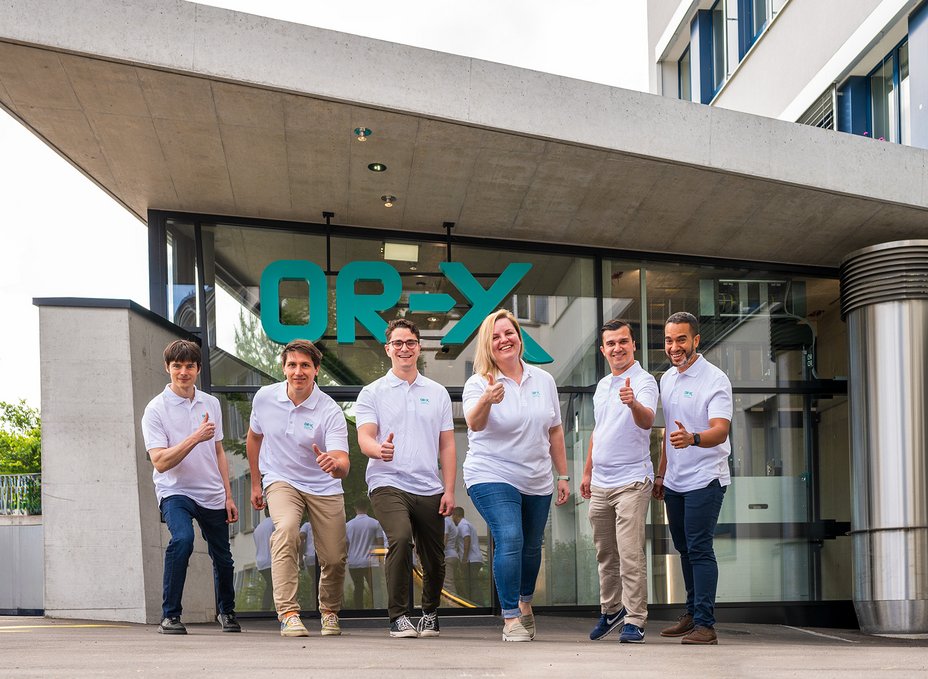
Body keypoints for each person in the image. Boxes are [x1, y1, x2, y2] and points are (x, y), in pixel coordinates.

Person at [462, 309, 570, 642]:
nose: (504, 340)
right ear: (487, 345)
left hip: (537, 477)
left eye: (509, 333)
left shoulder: (544, 380)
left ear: (519, 338)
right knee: (510, 536)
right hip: (491, 471)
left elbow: (554, 430)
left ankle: (525, 603)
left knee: (531, 546)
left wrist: (563, 475)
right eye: (495, 336)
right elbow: (474, 423)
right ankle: (510, 619)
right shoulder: (480, 382)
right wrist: (487, 400)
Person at [356, 318, 456, 639]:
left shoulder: (437, 393)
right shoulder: (372, 392)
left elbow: (447, 444)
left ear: (418, 348)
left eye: (410, 343)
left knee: (434, 558)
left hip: (429, 486)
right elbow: (365, 437)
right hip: (387, 482)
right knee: (399, 539)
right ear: (388, 350)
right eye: (397, 343)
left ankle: (429, 612)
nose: (404, 348)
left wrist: (450, 490)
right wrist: (378, 450)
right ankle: (398, 615)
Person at [246, 339, 350, 638]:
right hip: (281, 478)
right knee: (287, 529)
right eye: (292, 365)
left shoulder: (329, 410)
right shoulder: (265, 398)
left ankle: (329, 611)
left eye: (305, 365)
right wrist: (256, 482)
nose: (298, 371)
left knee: (333, 556)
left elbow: (343, 461)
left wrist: (335, 464)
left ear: (316, 370)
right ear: (283, 368)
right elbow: (254, 439)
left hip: (323, 484)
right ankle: (289, 614)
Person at [141, 339, 241, 635]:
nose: (183, 372)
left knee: (223, 556)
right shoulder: (155, 409)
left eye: (189, 366)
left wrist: (228, 495)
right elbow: (159, 462)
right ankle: (170, 616)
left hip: (211, 491)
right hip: (175, 490)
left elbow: (219, 451)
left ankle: (227, 611)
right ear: (167, 368)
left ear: (197, 369)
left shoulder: (211, 403)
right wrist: (195, 437)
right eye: (177, 366)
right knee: (182, 540)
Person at [653, 311, 732, 645]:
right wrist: (660, 474)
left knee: (700, 548)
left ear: (696, 340)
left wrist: (694, 439)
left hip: (705, 477)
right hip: (675, 480)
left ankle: (706, 624)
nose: (674, 346)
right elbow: (670, 433)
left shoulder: (715, 379)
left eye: (681, 339)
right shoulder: (667, 379)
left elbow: (720, 430)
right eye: (669, 340)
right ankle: (691, 614)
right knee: (684, 549)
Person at [580, 319, 658, 644]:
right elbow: (598, 433)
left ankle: (635, 619)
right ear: (603, 350)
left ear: (633, 344)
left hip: (632, 481)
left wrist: (633, 403)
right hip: (600, 482)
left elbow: (648, 420)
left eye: (623, 341)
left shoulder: (644, 381)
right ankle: (612, 610)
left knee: (629, 553)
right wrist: (586, 472)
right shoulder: (601, 386)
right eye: (610, 343)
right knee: (605, 554)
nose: (617, 348)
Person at [345, 501, 386, 608]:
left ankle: (359, 610)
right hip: (371, 563)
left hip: (354, 562)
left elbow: (346, 545)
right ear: (367, 508)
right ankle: (378, 608)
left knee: (358, 588)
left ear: (355, 508)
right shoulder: (375, 523)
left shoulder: (348, 525)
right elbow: (380, 544)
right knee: (375, 588)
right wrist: (381, 561)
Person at [452, 507, 484, 604]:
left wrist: (464, 558)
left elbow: (467, 539)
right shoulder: (467, 524)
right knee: (471, 582)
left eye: (452, 516)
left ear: (455, 515)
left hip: (471, 560)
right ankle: (474, 603)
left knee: (471, 583)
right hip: (475, 558)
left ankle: (477, 603)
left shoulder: (463, 525)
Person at [254, 513, 275, 611]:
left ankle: (266, 608)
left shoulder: (258, 527)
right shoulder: (275, 523)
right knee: (275, 586)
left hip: (261, 562)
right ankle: (267, 609)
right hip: (272, 560)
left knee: (271, 585)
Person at [443, 515, 459, 594]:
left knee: (448, 584)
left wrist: (439, 553)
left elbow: (444, 538)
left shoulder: (445, 521)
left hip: (447, 556)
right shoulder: (450, 521)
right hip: (452, 555)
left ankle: (452, 604)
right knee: (449, 582)